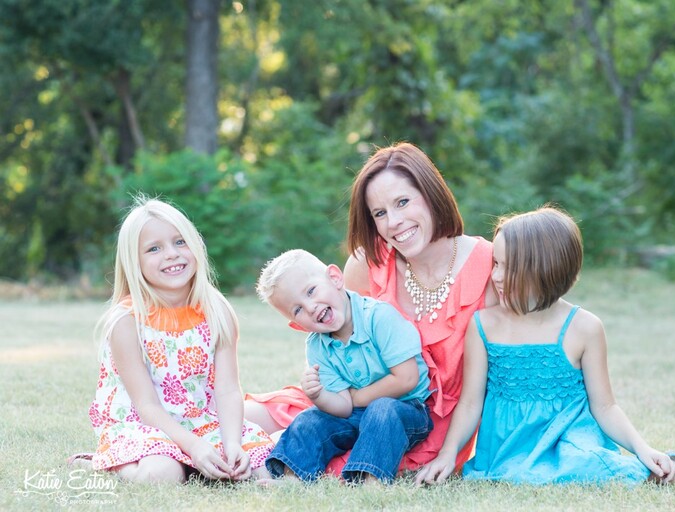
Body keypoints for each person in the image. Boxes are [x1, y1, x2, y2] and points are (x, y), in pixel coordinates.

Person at [415, 206, 675, 486]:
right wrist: (447, 455)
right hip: (510, 445)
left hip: (570, 437)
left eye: (508, 267)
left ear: (545, 270)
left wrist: (643, 448)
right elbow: (470, 403)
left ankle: (665, 470)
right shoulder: (484, 325)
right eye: (495, 263)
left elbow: (605, 406)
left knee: (584, 465)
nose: (495, 276)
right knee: (514, 475)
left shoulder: (584, 328)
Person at [244, 141, 496, 475]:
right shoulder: (368, 262)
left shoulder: (489, 266)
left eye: (403, 202)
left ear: (431, 193)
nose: (394, 222)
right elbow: (339, 336)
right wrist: (334, 396)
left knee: (289, 452)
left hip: (415, 421)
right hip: (348, 404)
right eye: (380, 213)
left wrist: (451, 452)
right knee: (241, 416)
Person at [82, 197, 274, 482]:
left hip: (200, 420)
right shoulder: (127, 321)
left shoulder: (216, 311)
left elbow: (227, 390)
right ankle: (109, 463)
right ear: (134, 261)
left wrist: (233, 443)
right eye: (154, 248)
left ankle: (200, 459)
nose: (171, 254)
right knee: (163, 474)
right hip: (144, 425)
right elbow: (146, 406)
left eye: (180, 242)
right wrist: (194, 447)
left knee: (264, 467)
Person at [255, 249, 433, 484]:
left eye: (311, 291)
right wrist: (319, 396)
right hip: (357, 415)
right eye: (297, 309)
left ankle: (372, 481)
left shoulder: (378, 317)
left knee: (382, 409)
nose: (310, 307)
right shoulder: (317, 346)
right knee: (311, 418)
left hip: (406, 410)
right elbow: (343, 407)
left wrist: (357, 397)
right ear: (297, 325)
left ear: (335, 278)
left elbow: (407, 378)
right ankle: (292, 477)